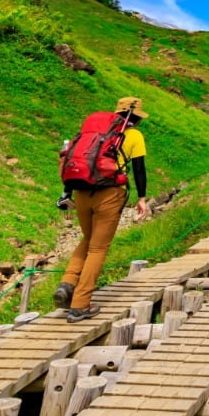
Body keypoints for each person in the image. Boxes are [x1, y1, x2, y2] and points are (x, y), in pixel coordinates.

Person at [54, 96, 150, 322]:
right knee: (98, 248)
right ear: (137, 117)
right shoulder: (134, 135)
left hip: (81, 190)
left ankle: (67, 284)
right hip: (110, 193)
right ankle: (80, 304)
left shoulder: (96, 133)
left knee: (87, 239)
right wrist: (142, 198)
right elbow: (139, 169)